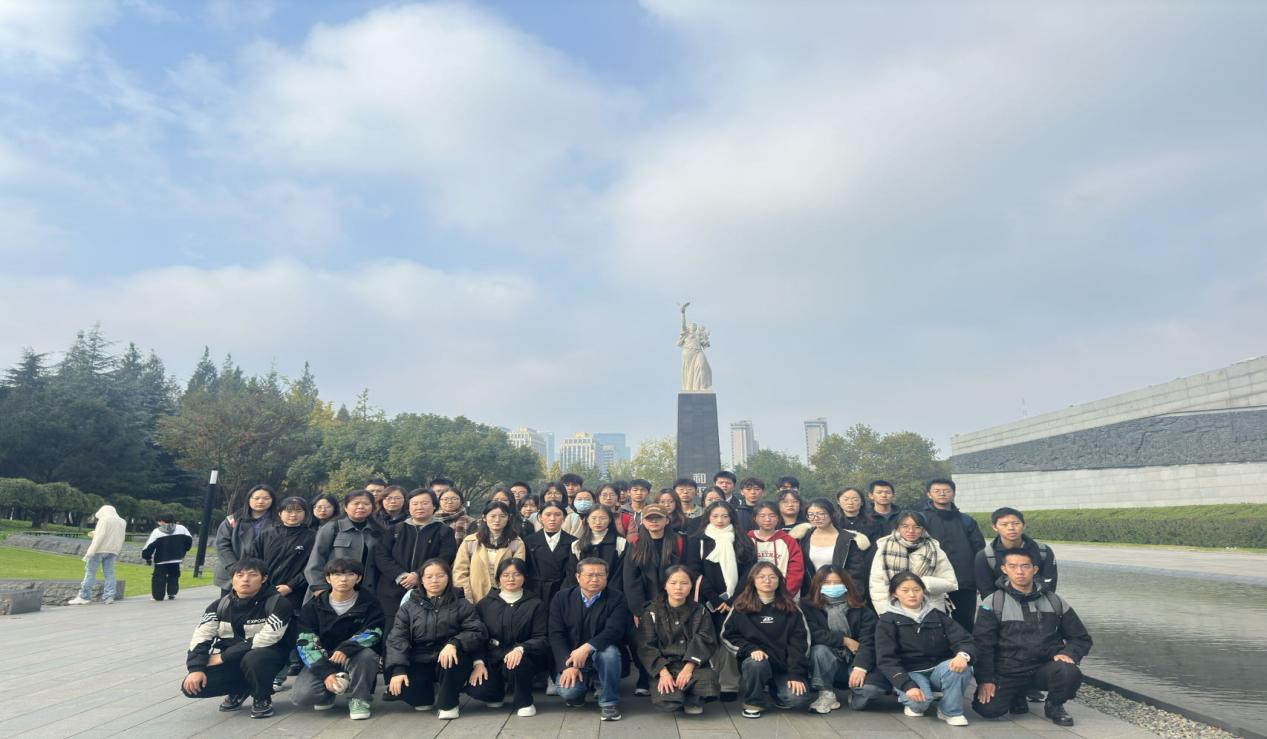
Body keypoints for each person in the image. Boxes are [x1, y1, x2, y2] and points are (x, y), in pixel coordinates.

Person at [972, 549, 1091, 727]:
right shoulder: (993, 602)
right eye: (1013, 566)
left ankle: (1055, 705)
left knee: (1069, 671)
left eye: (1025, 566)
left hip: (1043, 667)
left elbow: (1080, 637)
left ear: (1035, 569)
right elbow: (983, 646)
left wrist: (1069, 653)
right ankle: (1017, 694)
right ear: (1004, 569)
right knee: (988, 710)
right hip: (1008, 670)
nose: (1019, 571)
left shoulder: (1055, 601)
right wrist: (985, 679)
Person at [180, 558, 292, 719]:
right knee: (192, 687)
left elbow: (266, 639)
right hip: (233, 659)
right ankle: (240, 689)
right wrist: (195, 668)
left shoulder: (278, 603)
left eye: (252, 575)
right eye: (239, 575)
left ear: (264, 578)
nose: (245, 579)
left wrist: (224, 656)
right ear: (232, 579)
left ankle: (262, 697)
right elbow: (201, 636)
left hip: (267, 657)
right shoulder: (219, 606)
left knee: (255, 658)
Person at [385, 558, 486, 719]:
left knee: (451, 660)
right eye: (429, 576)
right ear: (421, 580)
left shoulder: (461, 603)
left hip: (450, 656)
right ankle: (427, 692)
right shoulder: (409, 607)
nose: (434, 580)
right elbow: (397, 637)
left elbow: (476, 631)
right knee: (406, 691)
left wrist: (454, 643)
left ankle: (449, 703)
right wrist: (398, 669)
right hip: (419, 657)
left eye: (440, 576)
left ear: (448, 578)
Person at [875, 571, 975, 726]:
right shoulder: (887, 620)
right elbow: (886, 659)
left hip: (938, 669)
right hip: (910, 672)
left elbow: (964, 639)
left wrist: (963, 655)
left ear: (923, 591)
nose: (912, 594)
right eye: (905, 590)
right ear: (895, 593)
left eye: (917, 589)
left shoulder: (937, 615)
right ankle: (905, 692)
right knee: (919, 705)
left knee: (963, 668)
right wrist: (907, 685)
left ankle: (950, 711)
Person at [291, 558, 385, 720]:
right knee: (302, 696)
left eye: (350, 574)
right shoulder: (313, 607)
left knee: (367, 655)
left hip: (356, 656)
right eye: (337, 574)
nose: (343, 579)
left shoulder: (370, 603)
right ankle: (329, 692)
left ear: (358, 578)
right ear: (328, 578)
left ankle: (359, 699)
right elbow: (305, 642)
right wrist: (326, 673)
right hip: (324, 657)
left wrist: (346, 648)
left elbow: (374, 632)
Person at [684, 500, 756, 700]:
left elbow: (749, 571)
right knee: (709, 639)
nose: (720, 520)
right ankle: (708, 684)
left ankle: (729, 685)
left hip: (737, 600)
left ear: (732, 517)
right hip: (707, 599)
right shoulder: (698, 540)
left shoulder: (742, 540)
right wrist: (715, 599)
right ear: (708, 517)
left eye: (725, 516)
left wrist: (733, 600)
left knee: (730, 639)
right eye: (715, 516)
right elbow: (694, 570)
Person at [720, 562, 812, 719]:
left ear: (779, 581)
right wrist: (750, 649)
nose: (767, 581)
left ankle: (775, 689)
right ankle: (753, 702)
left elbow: (801, 644)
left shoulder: (792, 608)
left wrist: (795, 673)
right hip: (755, 663)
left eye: (772, 577)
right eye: (761, 577)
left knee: (797, 699)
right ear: (753, 580)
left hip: (784, 665)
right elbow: (727, 635)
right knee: (756, 663)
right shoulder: (741, 606)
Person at [548, 557, 631, 721]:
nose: (595, 579)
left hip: (601, 652)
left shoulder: (617, 597)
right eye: (590, 575)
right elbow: (556, 634)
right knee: (569, 693)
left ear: (606, 577)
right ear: (578, 577)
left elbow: (614, 631)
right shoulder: (562, 598)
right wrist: (567, 666)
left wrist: (586, 648)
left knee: (609, 653)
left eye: (600, 575)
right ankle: (585, 686)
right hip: (572, 657)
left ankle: (609, 702)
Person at [468, 558, 548, 717]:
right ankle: (496, 693)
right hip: (493, 657)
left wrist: (521, 648)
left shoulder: (535, 604)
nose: (511, 579)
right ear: (498, 578)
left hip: (523, 657)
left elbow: (542, 637)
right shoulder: (485, 604)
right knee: (479, 690)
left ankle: (525, 702)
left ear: (524, 577)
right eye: (506, 575)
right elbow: (477, 637)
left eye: (517, 574)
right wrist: (478, 662)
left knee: (517, 663)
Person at [251, 496, 317, 688]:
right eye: (288, 511)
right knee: (270, 632)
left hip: (296, 593)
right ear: (280, 513)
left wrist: (291, 586)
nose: (293, 515)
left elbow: (312, 567)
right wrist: (263, 585)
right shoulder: (267, 534)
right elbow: (253, 560)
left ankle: (294, 673)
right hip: (266, 592)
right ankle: (272, 673)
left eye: (298, 511)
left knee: (292, 633)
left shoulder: (312, 536)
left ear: (305, 514)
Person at [637, 565, 720, 714]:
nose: (678, 587)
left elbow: (706, 639)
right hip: (665, 665)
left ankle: (693, 698)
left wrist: (688, 668)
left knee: (708, 680)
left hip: (693, 665)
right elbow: (646, 646)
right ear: (665, 585)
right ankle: (678, 695)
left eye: (684, 583)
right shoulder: (651, 612)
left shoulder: (700, 610)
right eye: (673, 583)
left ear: (691, 586)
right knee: (669, 704)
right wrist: (663, 672)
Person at [802, 565, 880, 713]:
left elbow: (869, 641)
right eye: (827, 582)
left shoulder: (861, 608)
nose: (832, 586)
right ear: (818, 584)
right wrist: (845, 641)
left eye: (837, 582)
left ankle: (855, 694)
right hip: (828, 660)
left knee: (870, 692)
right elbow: (814, 633)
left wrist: (860, 667)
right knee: (819, 650)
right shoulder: (808, 606)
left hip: (856, 659)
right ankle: (826, 694)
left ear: (846, 584)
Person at [374, 488, 457, 626]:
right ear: (408, 507)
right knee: (392, 628)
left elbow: (445, 558)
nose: (419, 507)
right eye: (415, 503)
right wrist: (400, 575)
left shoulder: (444, 531)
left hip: (427, 590)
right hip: (392, 589)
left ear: (434, 506)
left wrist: (418, 575)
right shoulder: (396, 529)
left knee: (422, 628)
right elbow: (381, 555)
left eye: (425, 503)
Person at [622, 504, 682, 696]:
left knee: (671, 638)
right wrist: (638, 610)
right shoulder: (635, 543)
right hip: (645, 602)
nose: (654, 521)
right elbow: (630, 579)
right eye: (649, 518)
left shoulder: (679, 541)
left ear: (667, 520)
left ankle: (668, 674)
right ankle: (644, 676)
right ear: (643, 521)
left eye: (658, 518)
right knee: (643, 640)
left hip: (674, 600)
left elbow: (685, 573)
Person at [523, 501, 577, 697]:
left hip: (562, 592)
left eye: (557, 515)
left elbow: (572, 573)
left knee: (559, 631)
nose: (553, 519)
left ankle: (556, 673)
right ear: (540, 517)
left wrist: (563, 595)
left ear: (564, 518)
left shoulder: (573, 542)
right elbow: (526, 571)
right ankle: (539, 672)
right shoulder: (529, 541)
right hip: (536, 593)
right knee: (538, 632)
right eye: (548, 515)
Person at [918, 479, 986, 633]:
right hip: (931, 580)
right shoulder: (922, 520)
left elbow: (979, 551)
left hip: (964, 581)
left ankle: (965, 648)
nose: (942, 494)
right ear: (929, 494)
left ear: (953, 494)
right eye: (937, 491)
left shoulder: (966, 520)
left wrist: (978, 580)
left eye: (946, 490)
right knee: (933, 622)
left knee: (965, 623)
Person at [307, 489, 383, 596]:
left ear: (372, 508)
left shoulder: (378, 532)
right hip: (332, 590)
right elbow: (316, 560)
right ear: (346, 507)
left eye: (366, 504)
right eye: (355, 503)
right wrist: (319, 588)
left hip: (366, 591)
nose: (361, 507)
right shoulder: (332, 527)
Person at [973, 507, 1058, 598]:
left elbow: (1049, 583)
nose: (1011, 528)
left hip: (1039, 602)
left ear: (1024, 525)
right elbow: (986, 591)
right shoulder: (985, 556)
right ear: (994, 527)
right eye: (1004, 524)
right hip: (1001, 604)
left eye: (1016, 523)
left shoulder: (1043, 551)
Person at [453, 501, 524, 604]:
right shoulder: (470, 541)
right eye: (492, 516)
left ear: (508, 518)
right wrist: (467, 597)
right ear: (484, 517)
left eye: (502, 516)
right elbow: (459, 572)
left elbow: (518, 573)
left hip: (505, 599)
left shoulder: (516, 542)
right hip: (475, 597)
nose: (497, 520)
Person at [798, 498, 871, 599]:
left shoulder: (848, 539)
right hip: (813, 594)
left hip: (840, 593)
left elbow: (856, 573)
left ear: (832, 513)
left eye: (821, 514)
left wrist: (854, 597)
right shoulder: (803, 538)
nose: (816, 518)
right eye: (811, 515)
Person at [213, 484, 277, 595]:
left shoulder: (278, 522)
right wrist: (235, 568)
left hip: (263, 575)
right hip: (233, 573)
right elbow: (222, 545)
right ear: (249, 499)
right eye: (256, 498)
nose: (261, 501)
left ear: (272, 500)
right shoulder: (233, 520)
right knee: (230, 604)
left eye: (266, 498)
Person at [748, 501, 804, 593]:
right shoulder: (748, 539)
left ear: (778, 518)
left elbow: (796, 570)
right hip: (751, 594)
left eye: (772, 515)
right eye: (762, 516)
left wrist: (786, 594)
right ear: (755, 518)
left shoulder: (788, 541)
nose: (767, 519)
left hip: (783, 594)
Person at [570, 503, 627, 592]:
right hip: (584, 593)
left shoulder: (620, 543)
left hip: (613, 593)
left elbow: (620, 573)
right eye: (593, 518)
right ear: (587, 520)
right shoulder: (577, 545)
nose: (598, 522)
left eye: (603, 518)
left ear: (610, 520)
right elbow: (572, 573)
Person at [141, 511, 192, 602]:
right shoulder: (182, 528)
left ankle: (158, 596)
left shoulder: (157, 531)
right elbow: (189, 540)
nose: (158, 523)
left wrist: (147, 557)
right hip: (176, 558)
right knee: (174, 575)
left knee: (159, 577)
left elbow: (149, 547)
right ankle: (172, 593)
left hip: (161, 559)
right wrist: (183, 550)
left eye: (159, 521)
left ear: (162, 521)